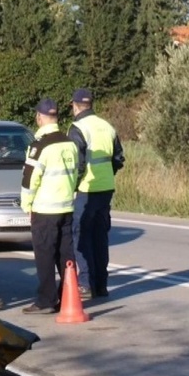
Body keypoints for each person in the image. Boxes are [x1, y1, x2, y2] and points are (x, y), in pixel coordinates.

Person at [20, 98, 80, 314]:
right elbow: (76, 173)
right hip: (66, 208)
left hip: (45, 210)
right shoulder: (69, 143)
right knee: (66, 255)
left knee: (44, 255)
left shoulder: (40, 146)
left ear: (40, 117)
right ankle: (68, 294)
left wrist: (27, 205)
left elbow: (30, 179)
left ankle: (46, 299)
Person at [67, 88, 124, 299]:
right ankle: (101, 285)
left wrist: (73, 186)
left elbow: (77, 164)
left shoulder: (77, 128)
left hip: (86, 189)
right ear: (91, 104)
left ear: (74, 106)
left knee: (81, 236)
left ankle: (85, 284)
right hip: (106, 188)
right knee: (100, 238)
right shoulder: (107, 126)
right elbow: (118, 158)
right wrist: (107, 175)